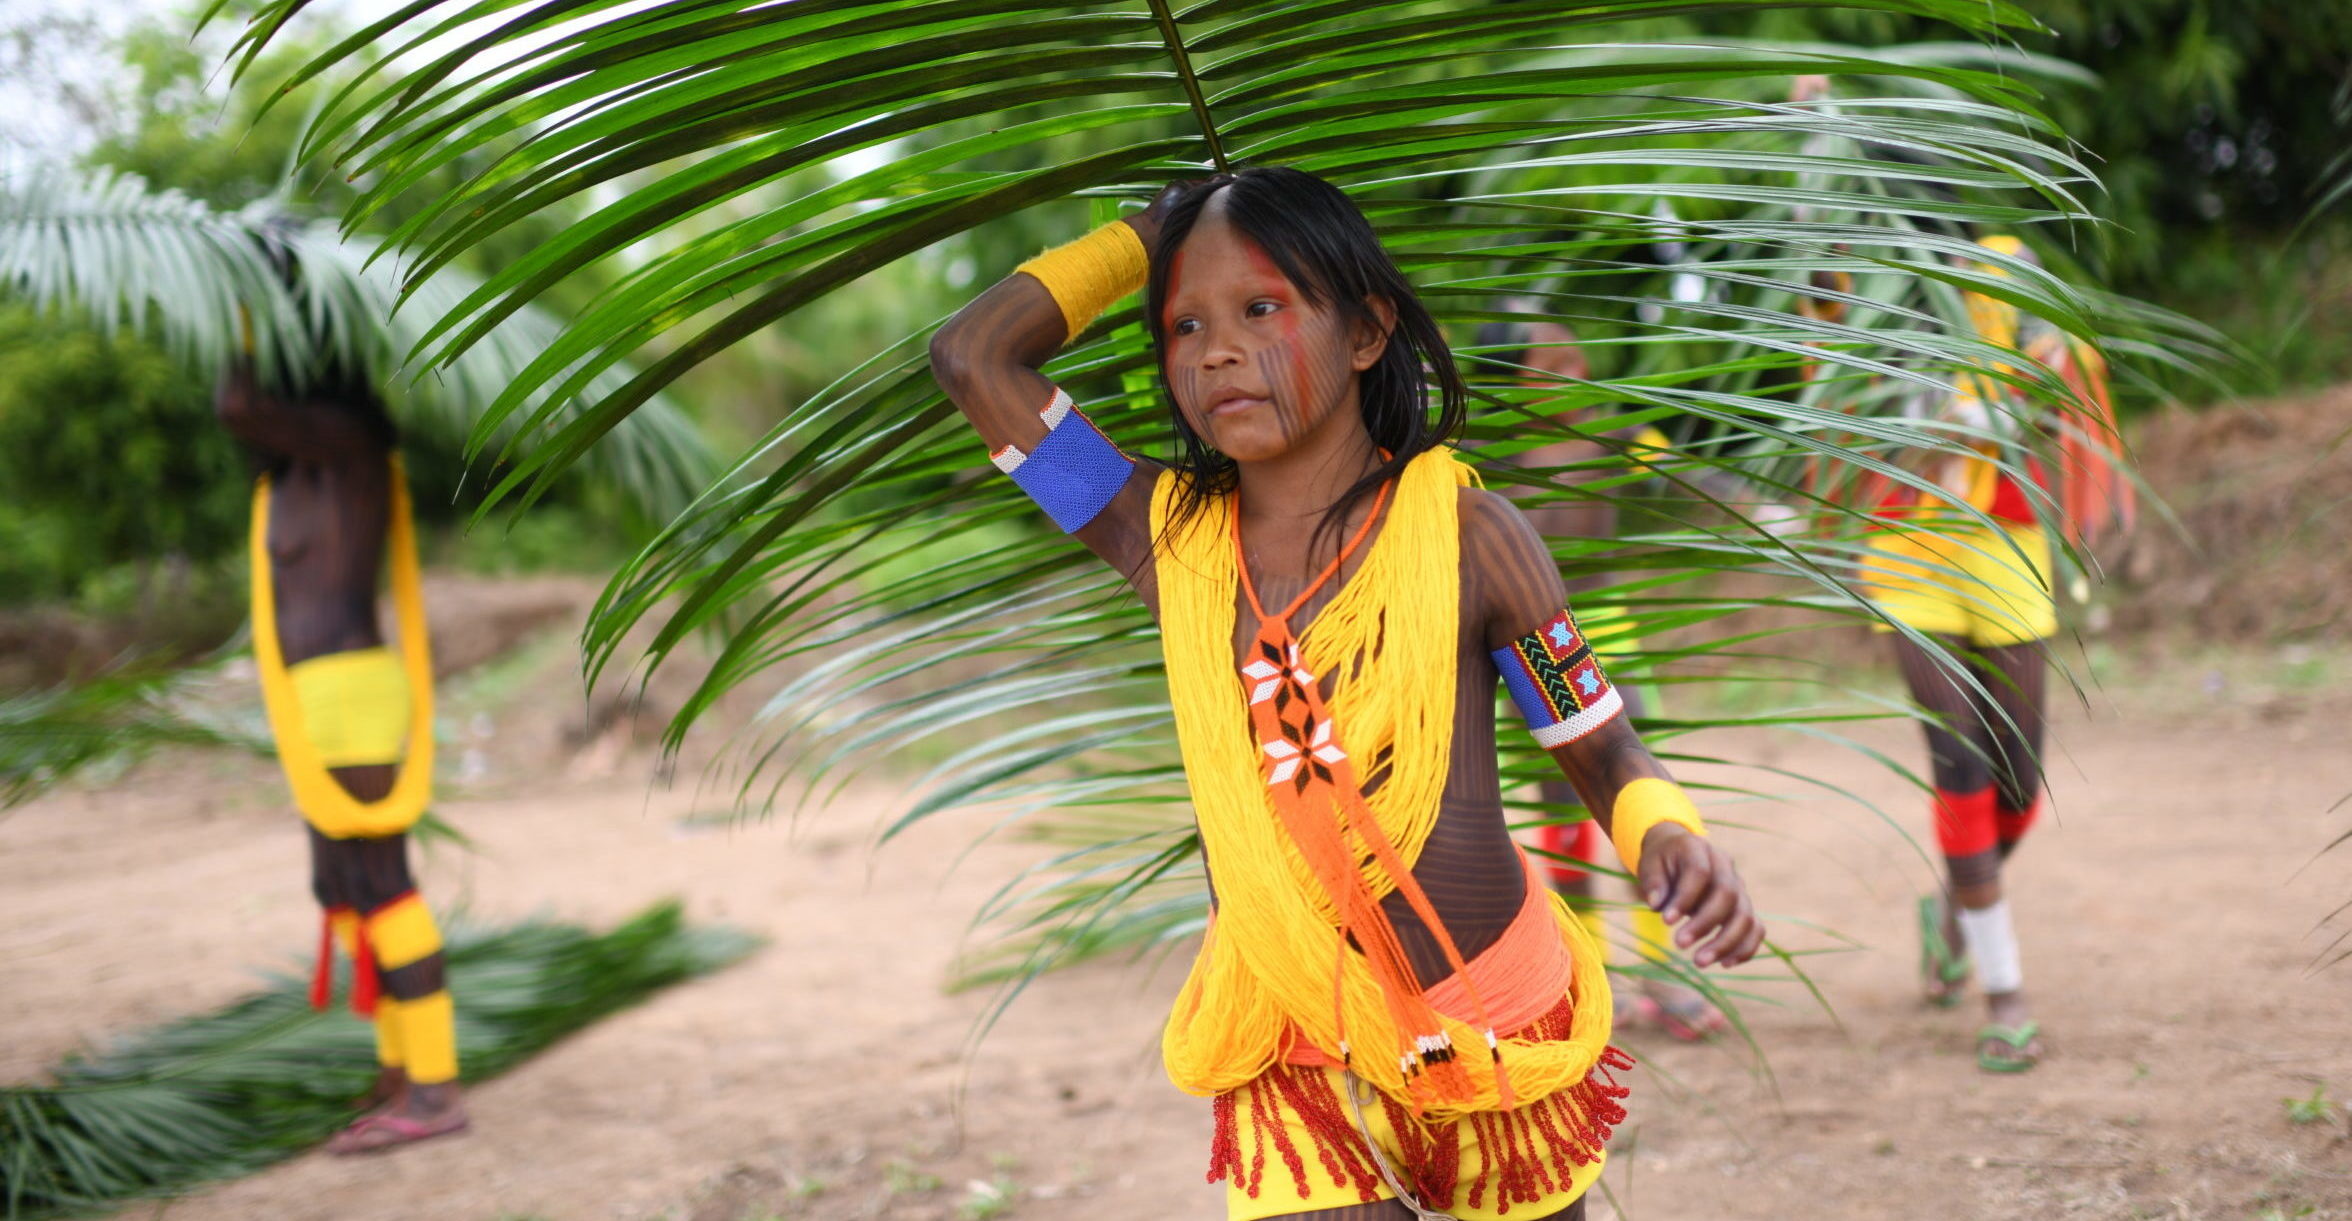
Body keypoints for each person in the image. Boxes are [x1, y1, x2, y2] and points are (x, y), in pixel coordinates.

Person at [930, 167, 1763, 1220]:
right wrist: (1154, 231)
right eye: (1185, 326)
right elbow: (973, 356)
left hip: (1490, 1017)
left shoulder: (1476, 541)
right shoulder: (1157, 536)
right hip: (1290, 1035)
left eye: (1261, 308)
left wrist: (1669, 839)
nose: (1217, 349)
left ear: (1367, 332)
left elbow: (1600, 747)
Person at [1846, 234, 2128, 1073]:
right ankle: (2005, 993)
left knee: (2018, 780)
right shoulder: (1874, 272)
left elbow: (2063, 385)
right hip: (1906, 545)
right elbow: (1830, 345)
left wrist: (2023, 392)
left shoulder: (2008, 265)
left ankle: (1955, 905)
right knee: (1958, 760)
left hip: (2003, 541)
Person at [1470, 312, 1750, 1042]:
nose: (1575, 363)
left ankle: (1666, 976)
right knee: (1565, 817)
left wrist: (1749, 499)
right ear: (1517, 380)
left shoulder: (1613, 436)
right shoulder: (1480, 461)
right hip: (1534, 654)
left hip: (1610, 646)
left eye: (1574, 349)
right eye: (1554, 355)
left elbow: (1688, 477)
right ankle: (1592, 976)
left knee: (1640, 809)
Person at [216, 353, 468, 1152]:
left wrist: (242, 303)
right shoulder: (289, 472)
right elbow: (248, 417)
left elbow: (237, 404)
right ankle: (401, 1069)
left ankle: (436, 1088)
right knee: (338, 882)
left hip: (352, 696)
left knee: (381, 882)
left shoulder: (346, 442)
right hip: (313, 704)